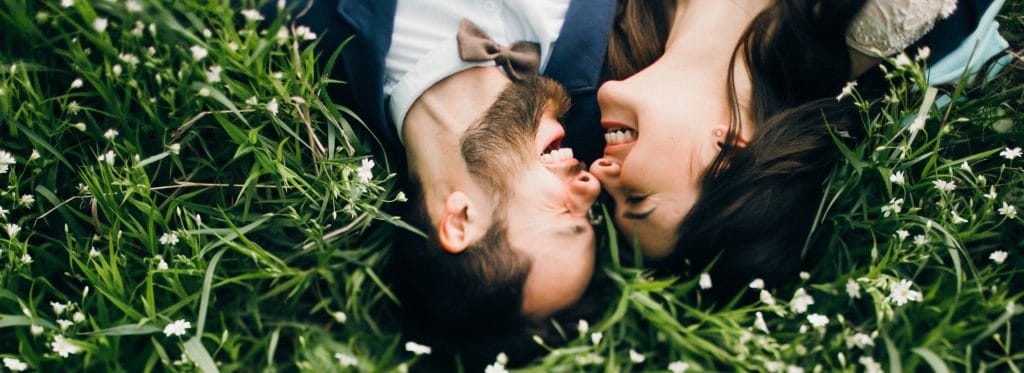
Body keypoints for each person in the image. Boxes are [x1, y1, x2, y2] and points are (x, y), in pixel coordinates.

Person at [280, 0, 617, 367]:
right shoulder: (610, 82)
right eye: (591, 214)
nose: (591, 185)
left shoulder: (300, 30)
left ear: (461, 220)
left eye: (565, 213)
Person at [588, 0, 1010, 291]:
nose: (601, 176)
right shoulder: (867, 20)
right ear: (731, 154)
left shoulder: (605, 36)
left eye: (614, 200)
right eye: (636, 197)